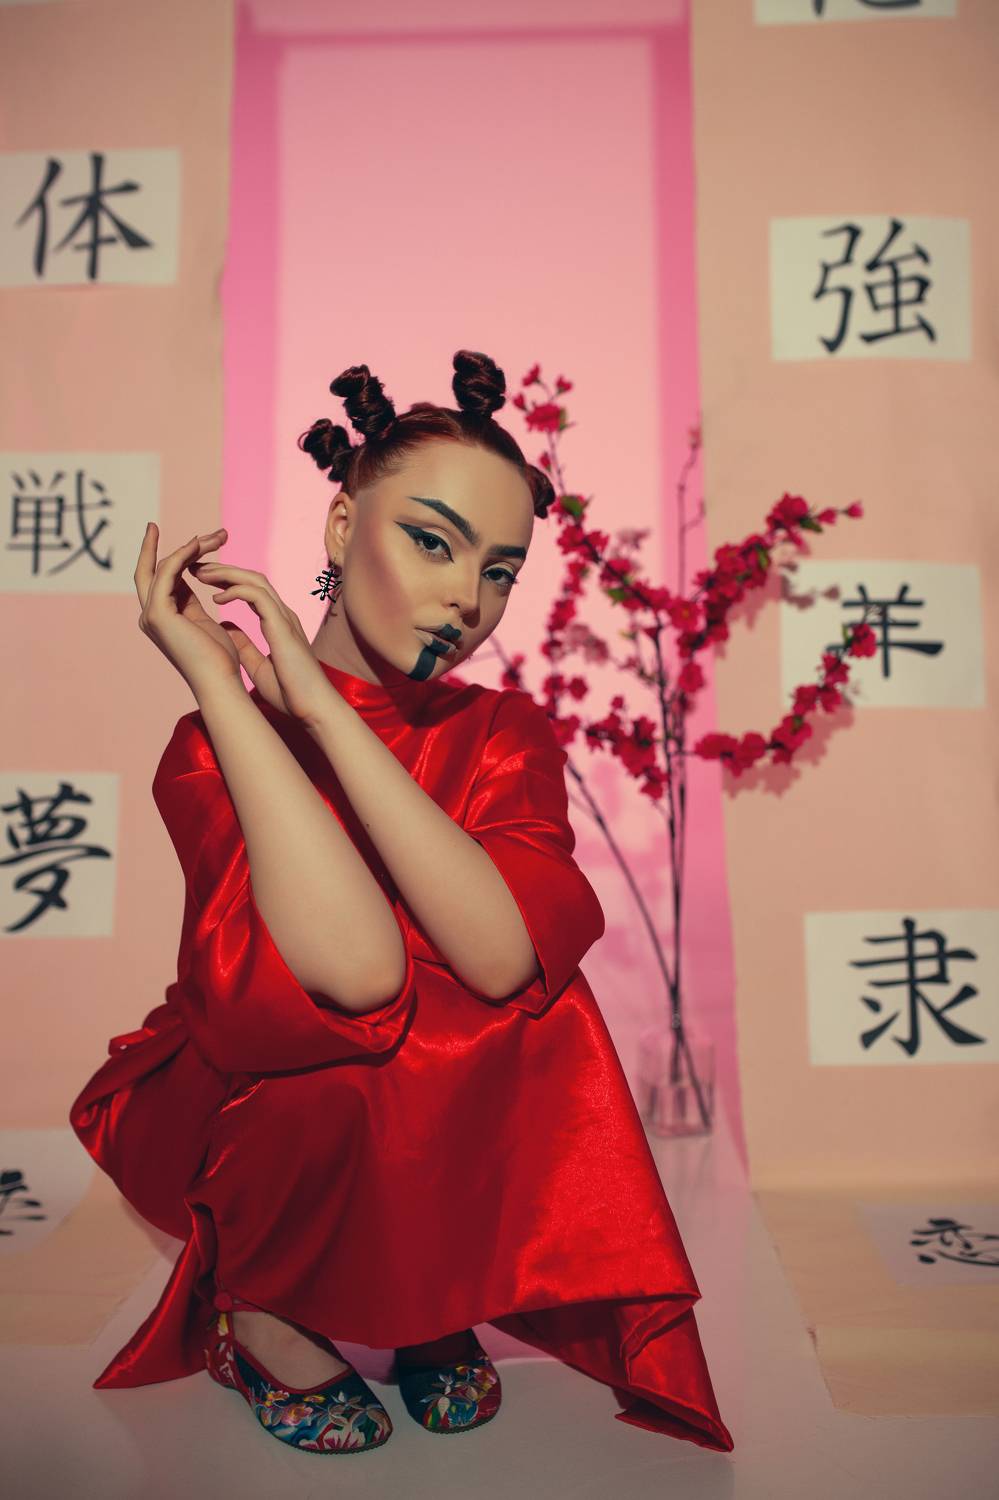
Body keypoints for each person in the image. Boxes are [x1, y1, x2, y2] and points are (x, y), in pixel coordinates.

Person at [69, 350, 734, 1458]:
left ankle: (427, 1281)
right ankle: (265, 1306)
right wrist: (224, 686)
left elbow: (501, 956)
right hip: (255, 1075)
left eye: (500, 571)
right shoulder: (214, 746)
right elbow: (349, 974)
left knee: (537, 1006)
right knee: (367, 1033)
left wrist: (325, 710)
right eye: (432, 542)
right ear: (342, 528)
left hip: (421, 1102)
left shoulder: (504, 733)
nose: (466, 600)